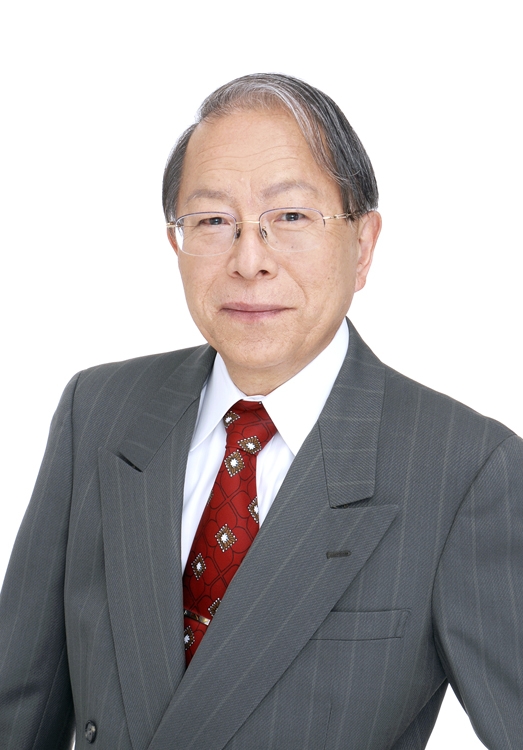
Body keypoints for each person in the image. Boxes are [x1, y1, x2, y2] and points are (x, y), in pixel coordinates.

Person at [0, 73, 521, 750]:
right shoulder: (97, 412)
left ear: (363, 245)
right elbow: (18, 705)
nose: (249, 261)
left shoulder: (466, 469)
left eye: (291, 218)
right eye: (213, 221)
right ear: (175, 243)